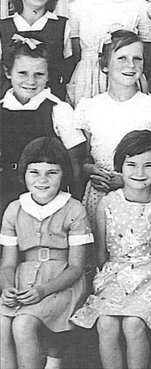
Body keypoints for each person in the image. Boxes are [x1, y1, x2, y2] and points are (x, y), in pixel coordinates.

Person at [70, 131, 151, 369]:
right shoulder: (107, 203)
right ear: (120, 166)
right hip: (116, 275)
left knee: (134, 323)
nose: (140, 172)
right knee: (105, 323)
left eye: (148, 165)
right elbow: (102, 254)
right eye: (131, 165)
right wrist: (106, 278)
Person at [0, 138, 91, 369]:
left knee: (23, 324)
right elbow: (8, 264)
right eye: (34, 172)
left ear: (63, 174)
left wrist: (42, 290)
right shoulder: (14, 209)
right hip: (23, 282)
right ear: (24, 173)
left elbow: (76, 267)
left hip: (61, 284)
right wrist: (7, 288)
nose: (42, 180)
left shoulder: (73, 209)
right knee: (1, 323)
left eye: (51, 173)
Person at [74, 30, 151, 228]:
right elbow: (83, 158)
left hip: (142, 197)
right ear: (104, 65)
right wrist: (90, 169)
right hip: (100, 194)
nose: (131, 65)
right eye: (122, 58)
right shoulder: (90, 107)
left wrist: (126, 180)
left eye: (137, 58)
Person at [1, 39, 85, 211]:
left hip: (48, 197)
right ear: (8, 72)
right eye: (22, 73)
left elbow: (75, 164)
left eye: (39, 74)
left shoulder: (59, 110)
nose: (30, 81)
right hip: (5, 195)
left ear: (48, 75)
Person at [0, 0, 68, 100]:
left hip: (50, 105)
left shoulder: (63, 26)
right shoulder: (3, 27)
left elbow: (69, 72)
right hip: (9, 108)